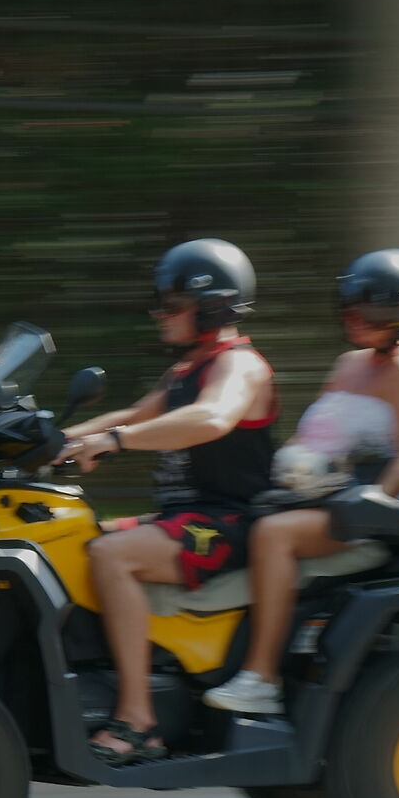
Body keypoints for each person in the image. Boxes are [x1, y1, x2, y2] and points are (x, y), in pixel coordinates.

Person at [203, 248, 399, 716]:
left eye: (367, 311)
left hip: (365, 512)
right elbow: (316, 431)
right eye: (349, 308)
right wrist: (293, 466)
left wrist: (376, 498)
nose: (353, 319)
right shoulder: (350, 364)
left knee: (272, 535)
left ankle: (261, 678)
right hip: (316, 496)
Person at [57, 238, 277, 763]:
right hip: (187, 518)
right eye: (161, 304)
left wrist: (115, 443)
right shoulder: (187, 370)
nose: (160, 315)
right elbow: (132, 416)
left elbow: (211, 419)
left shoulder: (239, 366)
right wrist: (50, 442)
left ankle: (139, 721)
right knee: (80, 540)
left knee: (113, 556)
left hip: (226, 523)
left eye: (173, 306)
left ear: (214, 307)